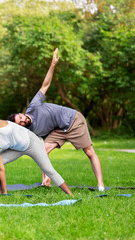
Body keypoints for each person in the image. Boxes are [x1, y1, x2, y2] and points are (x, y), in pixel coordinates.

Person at [8, 48, 104, 190]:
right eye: (21, 123)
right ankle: (46, 181)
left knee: (89, 152)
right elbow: (38, 147)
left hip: (73, 121)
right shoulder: (30, 130)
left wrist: (53, 64)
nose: (24, 121)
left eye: (21, 118)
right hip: (59, 130)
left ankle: (101, 185)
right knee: (43, 151)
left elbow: (45, 85)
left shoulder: (34, 105)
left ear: (21, 113)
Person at [0, 76, 74, 196]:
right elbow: (1, 168)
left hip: (32, 143)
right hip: (17, 148)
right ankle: (0, 194)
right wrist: (5, 193)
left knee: (48, 170)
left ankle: (71, 195)